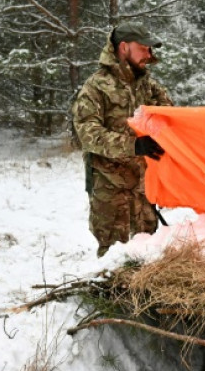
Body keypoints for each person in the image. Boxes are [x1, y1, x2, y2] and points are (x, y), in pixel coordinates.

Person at [71, 21, 173, 256]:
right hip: (111, 191)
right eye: (143, 48)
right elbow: (87, 133)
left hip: (144, 188)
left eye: (150, 49)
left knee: (147, 253)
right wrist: (133, 145)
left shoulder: (148, 86)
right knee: (114, 258)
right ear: (124, 47)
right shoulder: (96, 87)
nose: (149, 54)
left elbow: (171, 118)